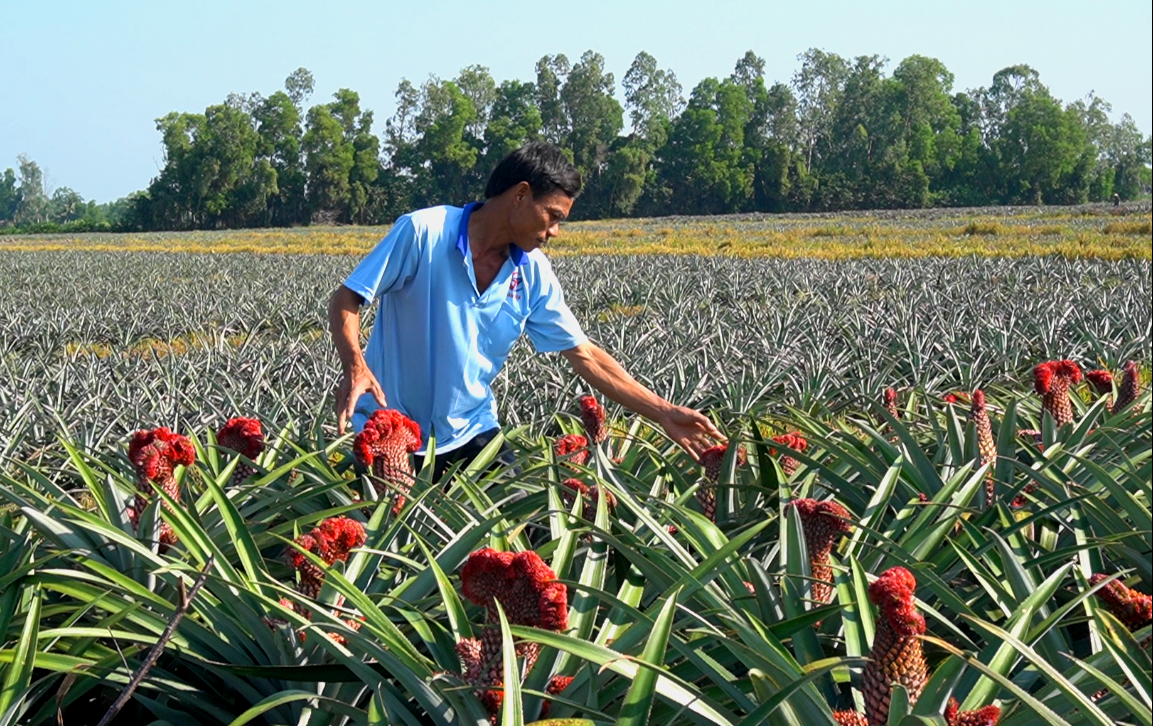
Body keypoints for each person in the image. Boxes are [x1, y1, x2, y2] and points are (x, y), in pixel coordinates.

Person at [328, 142, 724, 480]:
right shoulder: (423, 233)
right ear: (520, 195)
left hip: (472, 431)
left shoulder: (533, 272)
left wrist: (662, 412)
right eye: (553, 216)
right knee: (391, 542)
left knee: (525, 534)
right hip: (391, 428)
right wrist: (355, 366)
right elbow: (346, 299)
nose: (554, 232)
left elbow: (585, 355)